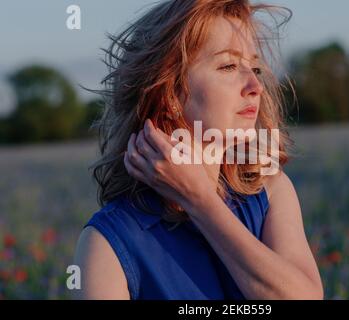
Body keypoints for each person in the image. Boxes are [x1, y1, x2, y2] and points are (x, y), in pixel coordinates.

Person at [73, 0, 323, 300]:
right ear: (170, 92)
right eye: (228, 65)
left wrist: (200, 199)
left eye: (255, 67)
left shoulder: (270, 190)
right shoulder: (109, 242)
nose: (255, 84)